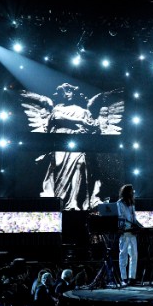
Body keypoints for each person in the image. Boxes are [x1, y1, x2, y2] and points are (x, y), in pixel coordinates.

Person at [19, 83, 124, 211]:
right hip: (61, 141)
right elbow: (58, 117)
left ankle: (73, 201)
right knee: (57, 165)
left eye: (69, 91)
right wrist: (79, 121)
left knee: (81, 165)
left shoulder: (84, 111)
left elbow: (93, 127)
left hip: (78, 142)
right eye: (64, 91)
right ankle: (60, 199)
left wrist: (89, 128)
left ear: (75, 93)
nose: (67, 93)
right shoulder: (57, 108)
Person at [117, 184, 144, 286]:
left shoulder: (131, 204)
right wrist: (133, 226)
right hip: (125, 233)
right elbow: (121, 218)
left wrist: (140, 226)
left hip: (132, 233)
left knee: (134, 256)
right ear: (127, 192)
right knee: (123, 255)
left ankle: (132, 278)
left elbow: (134, 218)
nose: (133, 192)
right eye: (132, 190)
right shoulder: (120, 203)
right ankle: (124, 278)